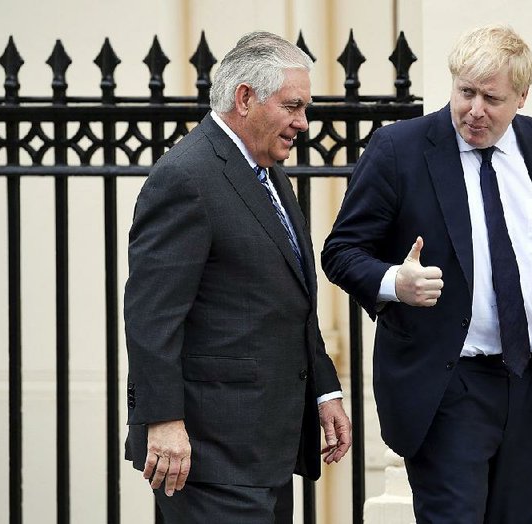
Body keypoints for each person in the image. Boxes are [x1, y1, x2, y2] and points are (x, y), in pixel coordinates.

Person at [322, 24, 532, 523]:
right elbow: (341, 250)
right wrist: (394, 282)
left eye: (492, 97)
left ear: (522, 97)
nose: (475, 110)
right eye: (465, 92)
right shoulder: (399, 148)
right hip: (447, 384)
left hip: (525, 380)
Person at [123, 31, 350, 523]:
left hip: (263, 452)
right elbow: (151, 315)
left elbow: (287, 298)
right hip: (207, 459)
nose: (303, 123)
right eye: (293, 106)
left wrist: (324, 390)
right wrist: (162, 420)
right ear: (245, 98)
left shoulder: (267, 172)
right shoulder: (186, 177)